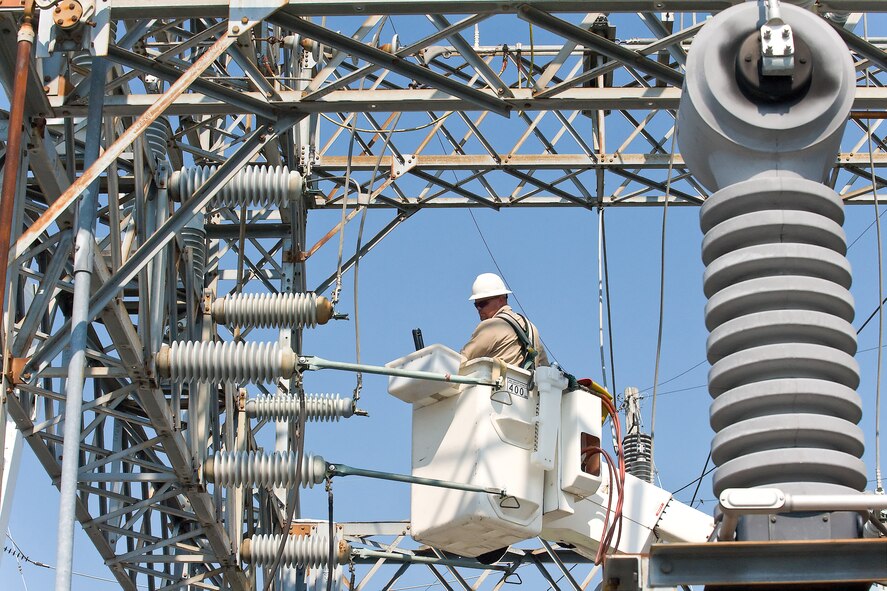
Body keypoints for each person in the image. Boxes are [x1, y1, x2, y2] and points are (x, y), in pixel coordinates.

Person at [461, 273, 549, 369]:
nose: (478, 309)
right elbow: (545, 369)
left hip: (495, 383)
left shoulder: (491, 326)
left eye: (482, 304)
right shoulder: (531, 328)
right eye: (476, 305)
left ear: (501, 300)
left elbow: (462, 359)